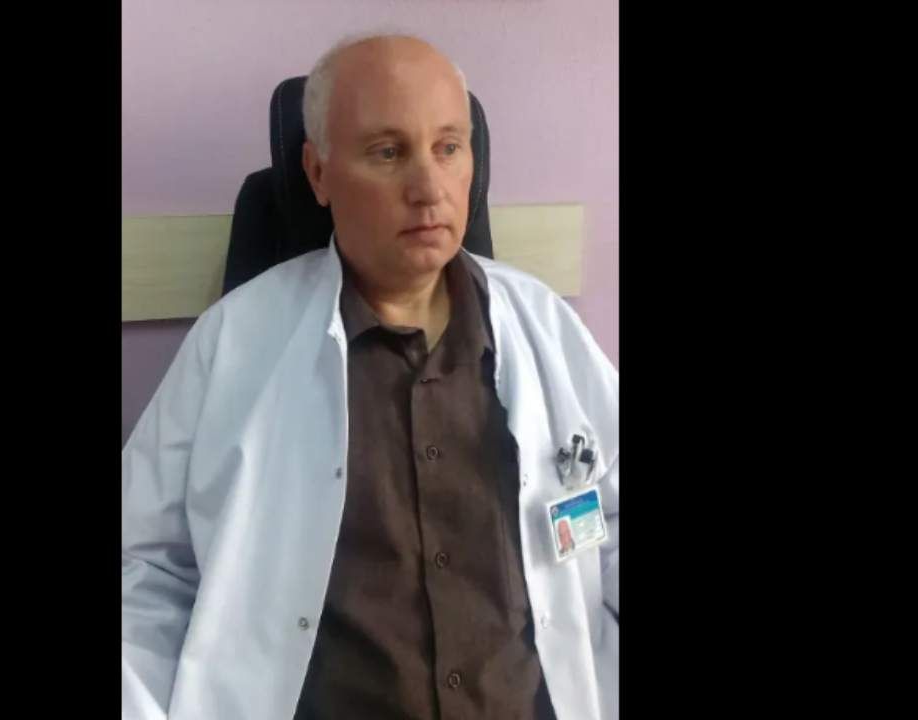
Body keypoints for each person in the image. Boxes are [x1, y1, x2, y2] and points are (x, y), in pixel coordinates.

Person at [123, 33, 618, 720]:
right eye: (388, 152)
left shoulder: (544, 326)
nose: (430, 188)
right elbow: (142, 570)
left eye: (449, 147)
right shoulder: (233, 343)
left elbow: (612, 519)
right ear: (318, 173)